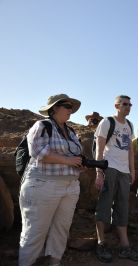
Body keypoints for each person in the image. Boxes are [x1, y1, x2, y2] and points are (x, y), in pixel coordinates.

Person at [19, 94, 83, 266]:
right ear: (54, 108)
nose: (70, 110)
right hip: (43, 184)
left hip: (70, 186)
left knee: (61, 230)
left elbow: (74, 155)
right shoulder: (42, 125)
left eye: (71, 107)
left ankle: (54, 262)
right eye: (67, 106)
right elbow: (38, 152)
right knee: (35, 232)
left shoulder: (71, 131)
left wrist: (78, 163)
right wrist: (69, 161)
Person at [93, 95, 138, 263]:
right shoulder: (107, 122)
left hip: (124, 171)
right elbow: (99, 147)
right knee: (105, 205)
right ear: (116, 105)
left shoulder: (129, 125)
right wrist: (99, 172)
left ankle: (125, 246)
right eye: (125, 104)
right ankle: (101, 244)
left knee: (123, 206)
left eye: (130, 104)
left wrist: (133, 169)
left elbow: (130, 149)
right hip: (109, 168)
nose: (128, 107)